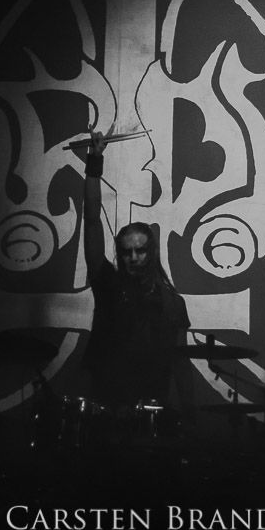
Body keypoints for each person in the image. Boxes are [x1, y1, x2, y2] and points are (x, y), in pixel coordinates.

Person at [79, 133, 194, 426]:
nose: (133, 257)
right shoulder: (109, 285)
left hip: (151, 411)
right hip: (107, 408)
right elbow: (91, 219)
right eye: (126, 252)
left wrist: (192, 418)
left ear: (151, 252)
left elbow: (181, 361)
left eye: (140, 251)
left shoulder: (172, 302)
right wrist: (94, 163)